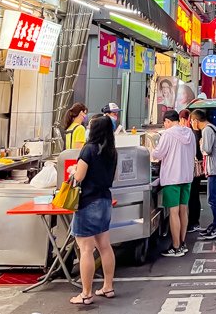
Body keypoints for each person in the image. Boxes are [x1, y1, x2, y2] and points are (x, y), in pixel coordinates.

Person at [69, 115, 118, 306]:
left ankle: (86, 293)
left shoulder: (88, 149)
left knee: (86, 249)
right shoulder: (112, 151)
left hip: (88, 201)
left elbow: (80, 176)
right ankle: (108, 286)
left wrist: (73, 171)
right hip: (105, 200)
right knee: (105, 245)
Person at [151, 109, 196, 257]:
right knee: (184, 210)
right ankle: (182, 243)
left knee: (173, 212)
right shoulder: (189, 133)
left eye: (165, 123)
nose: (165, 125)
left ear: (168, 121)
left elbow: (157, 154)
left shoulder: (168, 135)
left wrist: (152, 148)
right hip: (187, 177)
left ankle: (175, 247)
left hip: (172, 178)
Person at [193, 109, 216, 240]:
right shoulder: (213, 127)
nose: (192, 124)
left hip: (213, 168)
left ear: (196, 120)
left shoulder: (206, 130)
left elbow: (206, 150)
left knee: (212, 199)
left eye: (192, 121)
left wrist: (201, 144)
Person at [182, 109, 204, 234]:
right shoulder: (196, 132)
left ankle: (194, 222)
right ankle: (194, 221)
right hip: (195, 170)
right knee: (194, 196)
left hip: (193, 170)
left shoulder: (193, 134)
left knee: (193, 196)